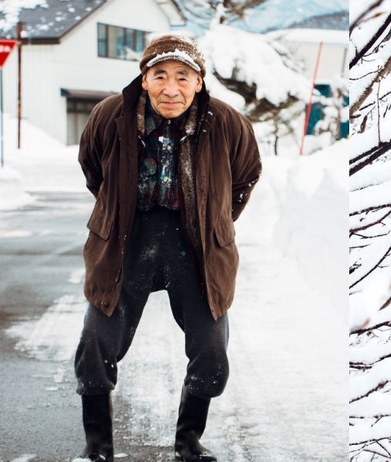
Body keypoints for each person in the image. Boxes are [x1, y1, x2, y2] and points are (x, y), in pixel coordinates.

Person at [74, 34, 262, 461]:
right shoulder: (111, 116)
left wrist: (214, 222)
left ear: (199, 82)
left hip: (194, 245)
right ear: (144, 79)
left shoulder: (226, 123)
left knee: (212, 347)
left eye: (183, 76)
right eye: (160, 76)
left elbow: (246, 175)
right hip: (127, 239)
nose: (171, 87)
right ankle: (97, 444)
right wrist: (115, 213)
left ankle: (188, 440)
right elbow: (92, 166)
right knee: (96, 343)